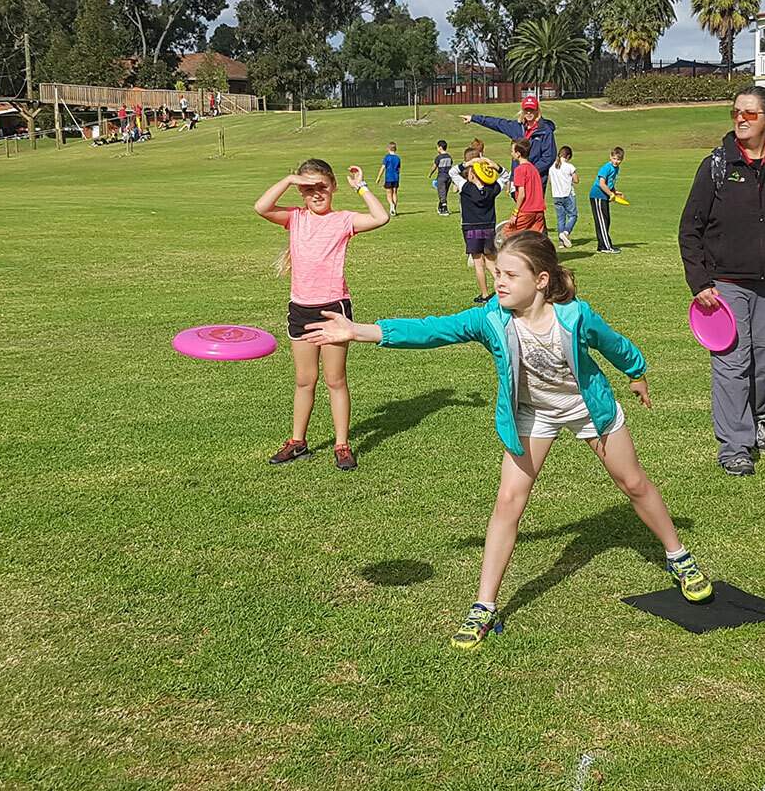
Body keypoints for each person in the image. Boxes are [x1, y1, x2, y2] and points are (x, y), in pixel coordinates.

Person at [298, 231, 713, 650]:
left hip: (587, 408)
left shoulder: (575, 316)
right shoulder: (491, 318)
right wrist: (358, 331)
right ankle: (485, 606)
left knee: (633, 484)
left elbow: (613, 344)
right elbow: (433, 330)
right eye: (497, 273)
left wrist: (636, 372)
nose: (499, 282)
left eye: (511, 275)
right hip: (532, 414)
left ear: (541, 280)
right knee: (508, 502)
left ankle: (678, 556)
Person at [677, 87, 765, 476]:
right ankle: (734, 446)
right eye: (736, 112)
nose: (740, 119)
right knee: (732, 363)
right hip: (725, 285)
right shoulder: (716, 166)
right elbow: (690, 229)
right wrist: (700, 281)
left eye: (750, 114)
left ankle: (756, 421)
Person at [252, 159, 391, 471]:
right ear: (301, 191)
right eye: (309, 188)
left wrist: (362, 188)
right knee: (304, 380)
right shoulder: (295, 218)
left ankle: (342, 444)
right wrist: (289, 179)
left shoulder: (343, 220)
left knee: (335, 380)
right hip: (300, 308)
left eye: (322, 187)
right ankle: (297, 442)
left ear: (333, 188)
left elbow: (381, 217)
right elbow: (261, 207)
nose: (316, 194)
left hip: (332, 310)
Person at [454, 141, 502, 303]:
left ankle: (484, 294)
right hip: (489, 227)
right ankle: (502, 286)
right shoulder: (492, 189)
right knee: (490, 260)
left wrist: (467, 163)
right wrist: (495, 167)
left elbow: (453, 172)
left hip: (471, 228)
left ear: (471, 173)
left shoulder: (465, 187)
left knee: (478, 263)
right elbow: (506, 176)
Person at [462, 94, 556, 175]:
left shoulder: (545, 131)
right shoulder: (517, 127)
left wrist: (530, 171)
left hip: (535, 177)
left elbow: (548, 158)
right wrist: (474, 118)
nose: (528, 113)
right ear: (522, 111)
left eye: (531, 110)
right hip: (517, 177)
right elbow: (497, 123)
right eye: (526, 110)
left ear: (537, 111)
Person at [502, 140, 547, 239]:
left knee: (506, 234)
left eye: (512, 151)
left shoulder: (519, 169)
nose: (511, 153)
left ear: (518, 154)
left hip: (526, 210)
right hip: (539, 211)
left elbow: (522, 194)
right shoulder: (534, 169)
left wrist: (515, 213)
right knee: (534, 239)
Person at [589, 147, 624, 254]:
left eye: (618, 159)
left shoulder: (616, 169)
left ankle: (602, 245)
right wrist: (611, 194)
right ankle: (606, 247)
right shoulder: (606, 167)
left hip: (604, 196)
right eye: (614, 158)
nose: (616, 161)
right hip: (597, 195)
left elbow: (610, 184)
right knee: (602, 222)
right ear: (610, 157)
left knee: (606, 220)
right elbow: (602, 183)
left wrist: (615, 192)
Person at [549, 145, 579, 249]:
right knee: (573, 215)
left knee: (560, 219)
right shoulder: (569, 166)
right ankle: (566, 233)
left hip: (556, 195)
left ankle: (561, 243)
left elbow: (549, 181)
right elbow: (576, 180)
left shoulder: (552, 167)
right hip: (568, 194)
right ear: (568, 156)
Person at [432, 140, 455, 216]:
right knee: (444, 193)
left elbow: (434, 167)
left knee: (441, 193)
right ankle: (440, 207)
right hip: (449, 177)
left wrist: (430, 173)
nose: (437, 149)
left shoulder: (438, 157)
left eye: (437, 147)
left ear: (440, 148)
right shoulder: (449, 156)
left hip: (441, 177)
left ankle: (444, 210)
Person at [381, 142, 402, 212]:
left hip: (389, 177)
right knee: (395, 193)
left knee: (389, 193)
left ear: (388, 148)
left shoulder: (387, 157)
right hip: (396, 177)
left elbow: (383, 167)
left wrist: (378, 177)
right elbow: (399, 169)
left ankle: (391, 204)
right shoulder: (398, 158)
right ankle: (394, 210)